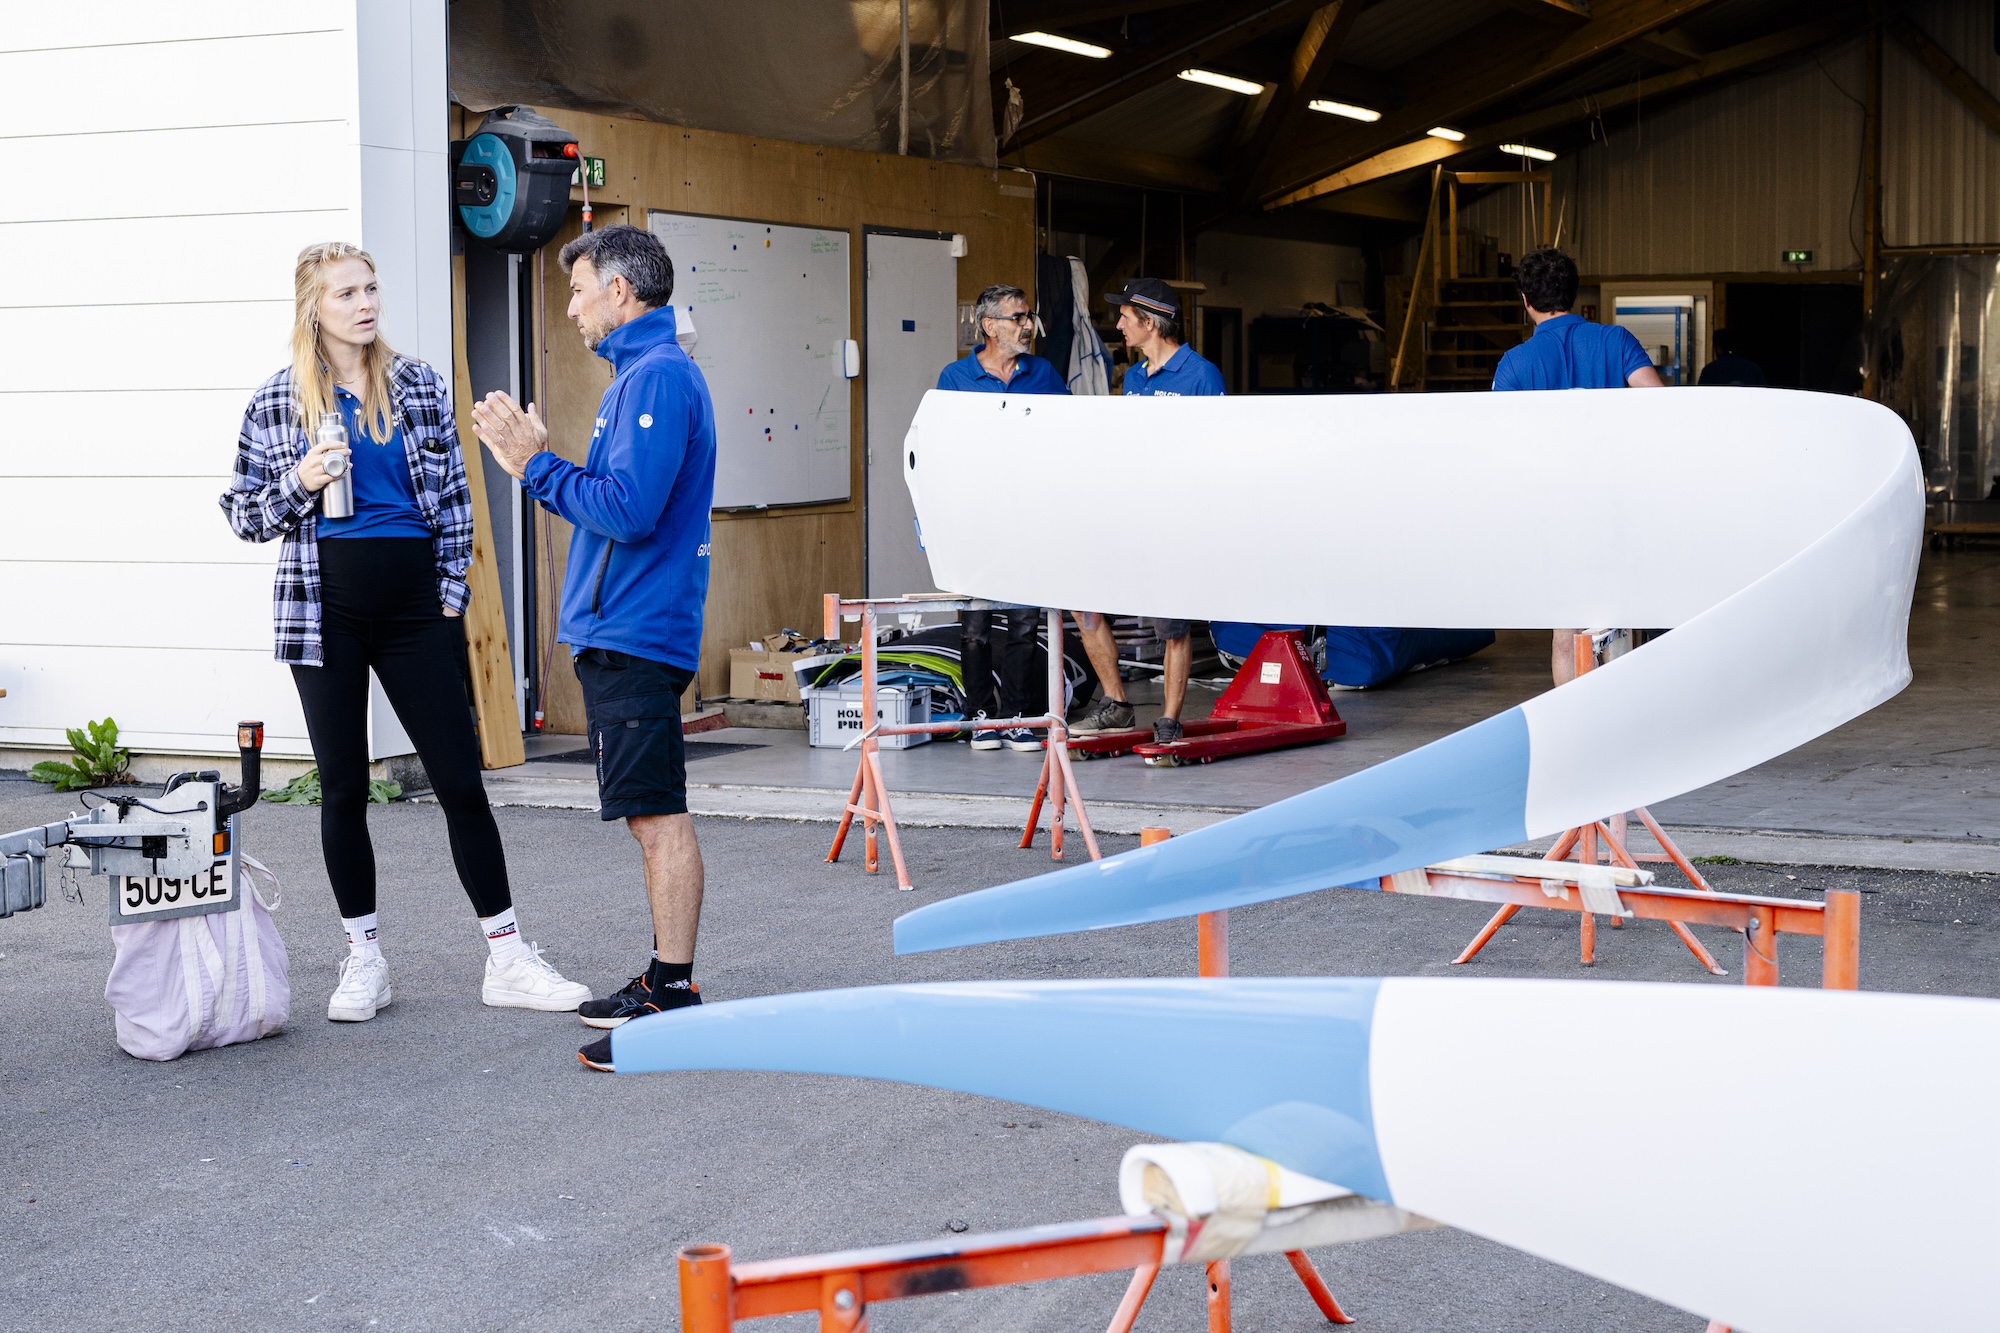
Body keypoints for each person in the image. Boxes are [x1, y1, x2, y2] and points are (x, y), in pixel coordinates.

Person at [221, 241, 591, 1023]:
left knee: (459, 780)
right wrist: (303, 480)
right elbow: (245, 513)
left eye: (371, 288)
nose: (365, 303)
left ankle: (508, 954)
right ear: (312, 308)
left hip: (414, 608)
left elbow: (456, 496)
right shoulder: (277, 401)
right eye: (347, 292)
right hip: (324, 613)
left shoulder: (417, 384)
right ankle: (364, 959)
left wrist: (450, 593)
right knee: (345, 788)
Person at [469, 224, 717, 1073]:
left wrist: (534, 465)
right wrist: (538, 465)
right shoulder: (638, 377)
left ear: (621, 292)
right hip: (625, 629)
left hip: (638, 631)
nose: (568, 307)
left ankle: (675, 996)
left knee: (657, 815)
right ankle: (662, 979)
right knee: (649, 814)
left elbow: (627, 510)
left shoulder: (657, 378)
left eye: (577, 290)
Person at [1491, 247, 1664, 684]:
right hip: (1618, 504)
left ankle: (1573, 731)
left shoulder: (1515, 364)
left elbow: (1501, 444)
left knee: (1565, 632)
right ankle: (1625, 719)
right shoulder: (1616, 340)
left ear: (1525, 301)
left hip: (1553, 514)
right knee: (1622, 621)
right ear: (1573, 292)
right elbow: (1663, 408)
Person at [1069, 278, 1224, 745]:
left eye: (1125, 318)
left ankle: (1170, 719)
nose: (1117, 325)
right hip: (1129, 515)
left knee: (1171, 623)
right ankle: (1117, 704)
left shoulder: (1201, 375)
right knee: (1085, 602)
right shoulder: (1134, 377)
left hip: (1175, 519)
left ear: (1150, 323)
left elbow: (1216, 453)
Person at [936, 283, 1068, 752]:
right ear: (990, 326)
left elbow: (1069, 436)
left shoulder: (1045, 374)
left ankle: (1016, 715)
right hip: (974, 522)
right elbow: (939, 451)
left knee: (1024, 622)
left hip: (1029, 520)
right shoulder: (955, 378)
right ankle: (980, 715)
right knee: (974, 624)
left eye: (1029, 316)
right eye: (1018, 317)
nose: (1028, 325)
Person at [1698, 328, 1766, 387]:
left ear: (1718, 349)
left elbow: (1702, 396)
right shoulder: (1754, 369)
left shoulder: (1709, 370)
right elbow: (1763, 395)